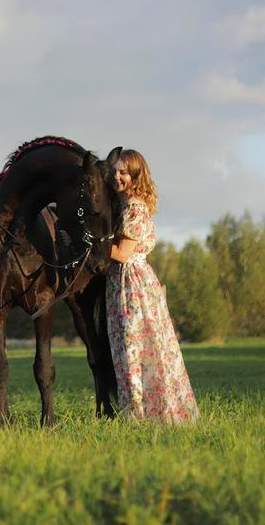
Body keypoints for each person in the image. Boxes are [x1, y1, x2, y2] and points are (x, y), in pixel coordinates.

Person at [106, 149, 198, 424]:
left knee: (136, 349)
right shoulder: (123, 204)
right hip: (124, 282)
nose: (117, 176)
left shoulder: (134, 206)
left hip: (131, 284)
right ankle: (144, 412)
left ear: (135, 175)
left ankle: (142, 416)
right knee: (136, 349)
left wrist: (92, 242)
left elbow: (122, 253)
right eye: (114, 171)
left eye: (123, 172)